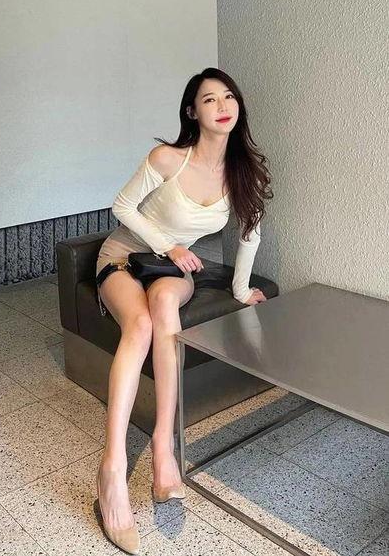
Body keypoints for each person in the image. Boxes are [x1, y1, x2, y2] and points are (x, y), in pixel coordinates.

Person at [94, 67, 273, 554]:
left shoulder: (244, 171)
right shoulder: (167, 158)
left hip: (173, 271)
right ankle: (112, 468)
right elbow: (122, 206)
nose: (222, 105)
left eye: (229, 96)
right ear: (192, 112)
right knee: (140, 325)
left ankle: (163, 447)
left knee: (165, 308)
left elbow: (250, 235)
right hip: (124, 256)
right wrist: (169, 245)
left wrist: (240, 291)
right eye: (209, 99)